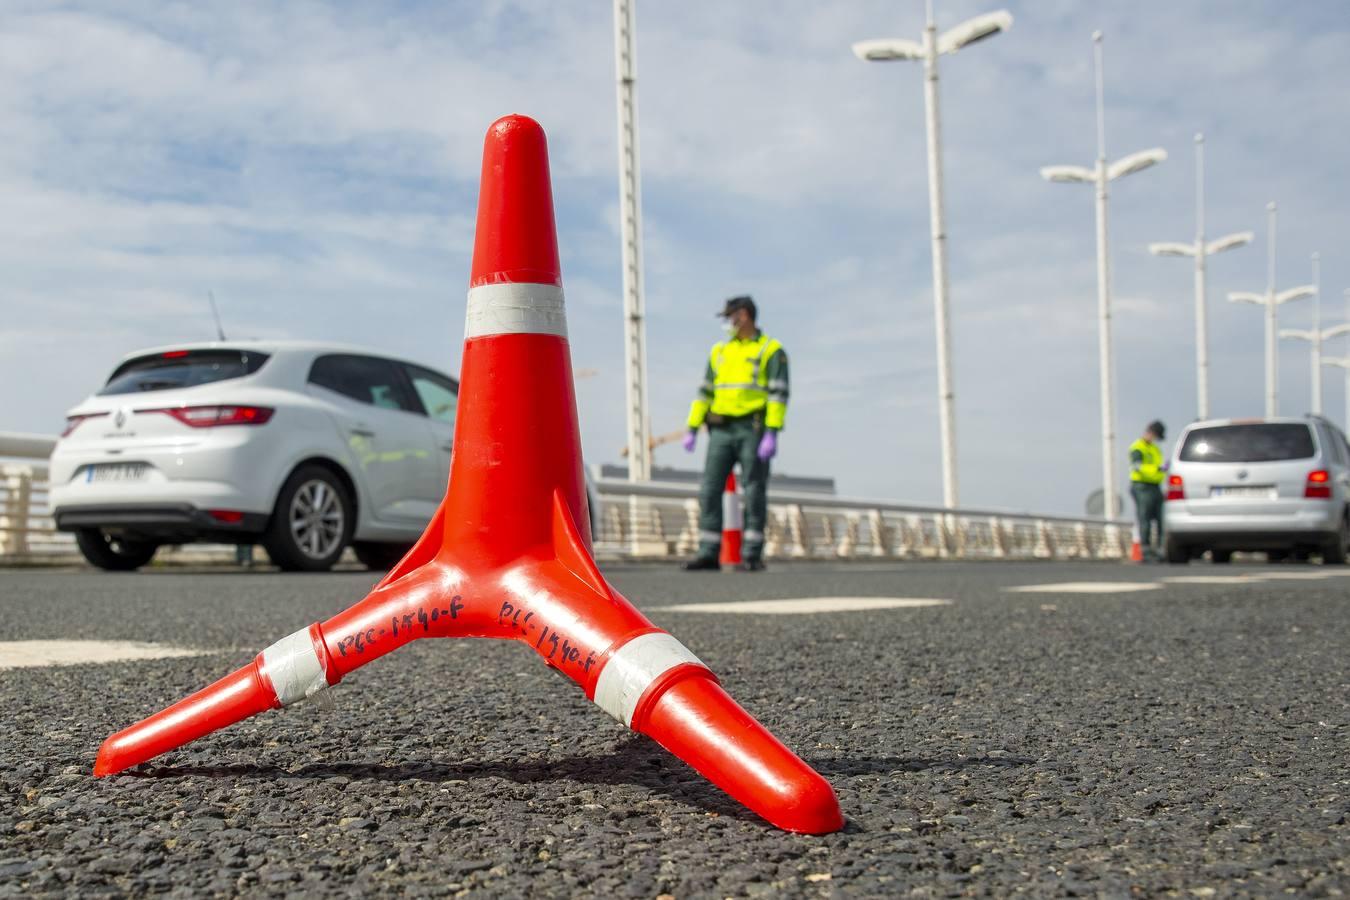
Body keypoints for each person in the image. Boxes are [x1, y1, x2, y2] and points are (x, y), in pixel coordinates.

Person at [681, 295, 788, 572]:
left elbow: (778, 395)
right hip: (720, 430)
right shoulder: (719, 351)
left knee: (753, 489)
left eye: (731, 316)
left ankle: (752, 552)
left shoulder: (770, 350)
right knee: (710, 488)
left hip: (752, 429)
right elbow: (704, 393)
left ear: (744, 315)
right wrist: (692, 427)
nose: (728, 322)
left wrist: (772, 432)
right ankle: (708, 552)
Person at [1129, 420, 1167, 562]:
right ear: (1151, 432)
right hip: (1141, 487)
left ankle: (1159, 551)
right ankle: (1145, 552)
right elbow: (1137, 466)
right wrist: (1157, 469)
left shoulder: (1155, 449)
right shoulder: (1137, 447)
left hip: (1155, 487)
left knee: (1160, 519)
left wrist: (1163, 469)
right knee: (1144, 519)